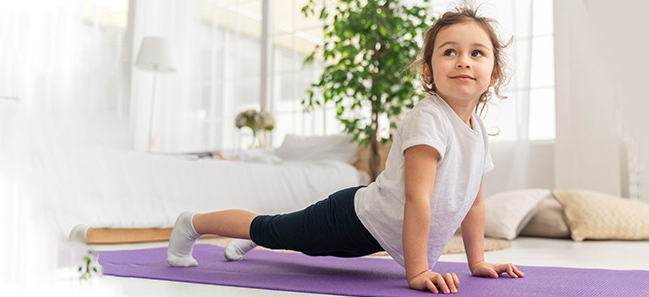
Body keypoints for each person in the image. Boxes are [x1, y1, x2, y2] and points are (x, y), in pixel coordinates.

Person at [167, 6, 524, 294]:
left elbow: (474, 205)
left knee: (286, 231)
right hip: (354, 219)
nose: (464, 61)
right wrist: (417, 271)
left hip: (375, 227)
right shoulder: (429, 120)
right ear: (428, 72)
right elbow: (418, 200)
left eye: (477, 53)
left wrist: (476, 263)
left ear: (493, 74)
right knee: (272, 229)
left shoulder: (477, 132)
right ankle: (193, 223)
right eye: (450, 52)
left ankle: (260, 238)